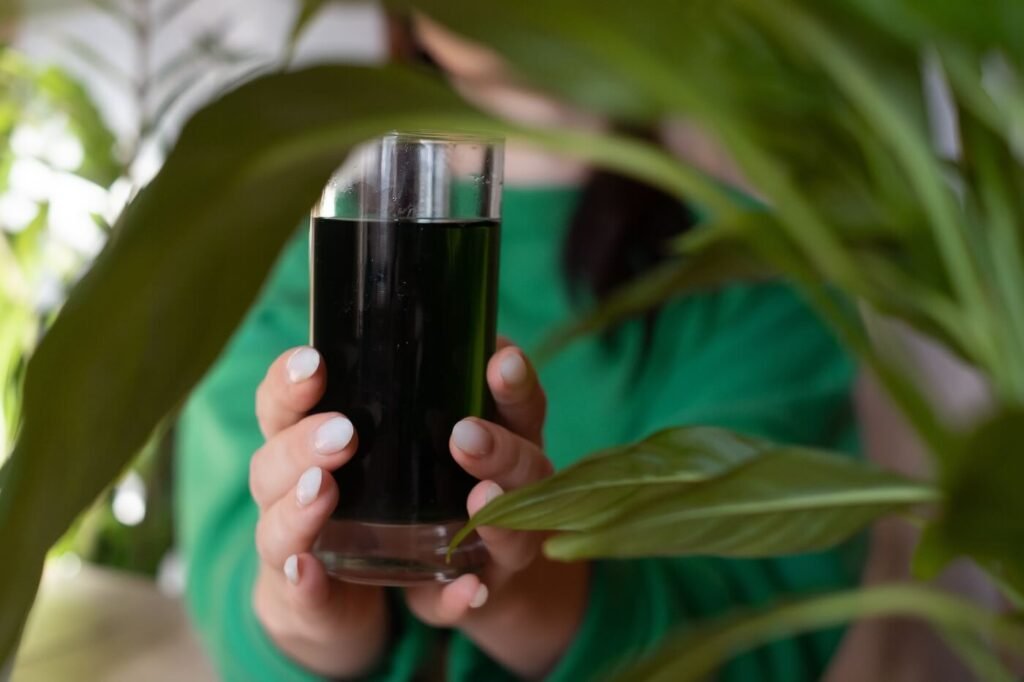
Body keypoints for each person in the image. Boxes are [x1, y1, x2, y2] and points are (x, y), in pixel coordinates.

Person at [175, 15, 862, 682]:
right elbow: (227, 573)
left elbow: (767, 624)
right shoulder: (289, 269)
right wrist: (309, 622)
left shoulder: (755, 283)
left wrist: (532, 597)